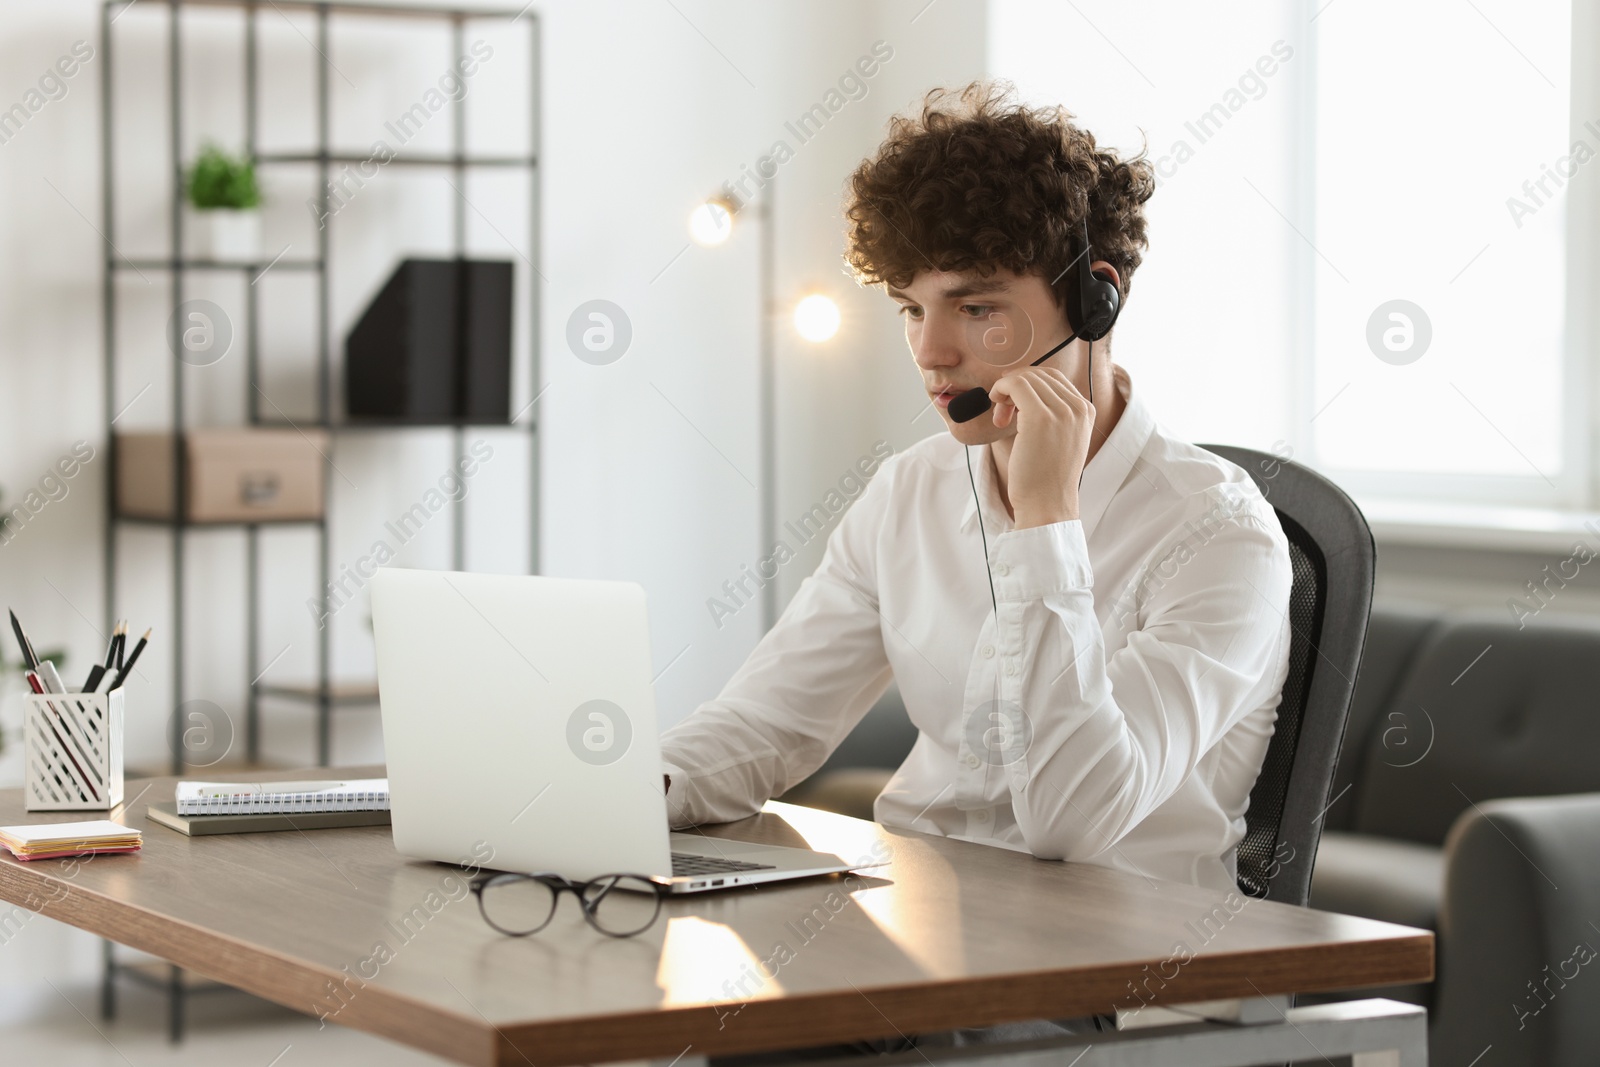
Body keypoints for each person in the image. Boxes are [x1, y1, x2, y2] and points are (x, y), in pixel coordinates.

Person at [661, 80, 1292, 911]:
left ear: (1095, 298)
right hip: (925, 923)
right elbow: (764, 727)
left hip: (1116, 968)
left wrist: (1046, 523)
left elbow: (1074, 820)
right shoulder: (909, 492)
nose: (931, 351)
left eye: (976, 306)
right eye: (911, 309)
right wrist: (588, 801)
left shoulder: (1221, 532)